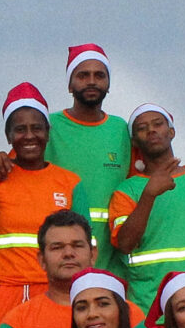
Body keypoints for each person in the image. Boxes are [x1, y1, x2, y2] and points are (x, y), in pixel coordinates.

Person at [0, 84, 88, 328]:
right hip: (3, 295)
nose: (29, 135)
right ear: (8, 136)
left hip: (57, 293)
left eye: (37, 127)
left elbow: (84, 248)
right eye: (20, 129)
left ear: (48, 132)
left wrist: (78, 294)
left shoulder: (70, 183)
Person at [109, 104, 185, 312]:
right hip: (147, 306)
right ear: (135, 141)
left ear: (171, 132)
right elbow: (125, 244)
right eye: (142, 128)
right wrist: (149, 194)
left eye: (158, 124)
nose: (151, 130)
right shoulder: (126, 190)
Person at [43, 44, 133, 277]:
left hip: (112, 266)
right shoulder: (48, 126)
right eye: (83, 75)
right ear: (70, 84)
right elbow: (18, 166)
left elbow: (154, 167)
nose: (91, 81)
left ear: (109, 84)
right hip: (61, 260)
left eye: (99, 75)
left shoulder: (121, 129)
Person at [0, 211, 101, 328]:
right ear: (42, 260)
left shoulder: (127, 314)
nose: (69, 253)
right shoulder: (17, 324)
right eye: (57, 247)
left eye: (77, 245)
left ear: (93, 254)